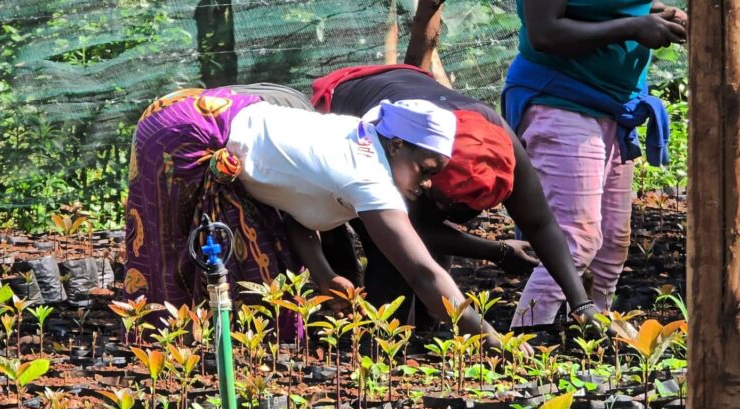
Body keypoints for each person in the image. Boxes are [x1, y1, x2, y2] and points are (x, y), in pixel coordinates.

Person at [123, 86, 500, 342]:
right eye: (427, 169)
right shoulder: (367, 176)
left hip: (224, 113)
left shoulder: (365, 138)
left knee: (258, 266)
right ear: (398, 145)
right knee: (171, 249)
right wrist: (490, 338)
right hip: (185, 131)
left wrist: (323, 275)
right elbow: (422, 272)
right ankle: (161, 348)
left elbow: (292, 211)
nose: (429, 184)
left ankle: (213, 346)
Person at [312, 63, 604, 329]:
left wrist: (582, 303)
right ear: (429, 174)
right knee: (392, 259)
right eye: (445, 204)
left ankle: (427, 332)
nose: (453, 215)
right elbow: (410, 233)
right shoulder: (404, 152)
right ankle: (375, 343)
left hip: (408, 87)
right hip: (347, 105)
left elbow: (541, 224)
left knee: (433, 264)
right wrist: (496, 251)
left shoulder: (501, 146)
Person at [502, 0, 686, 327]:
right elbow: (545, 33)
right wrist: (633, 27)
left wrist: (654, 13)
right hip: (560, 99)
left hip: (614, 106)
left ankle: (595, 341)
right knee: (575, 241)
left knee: (612, 244)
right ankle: (525, 345)